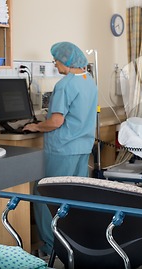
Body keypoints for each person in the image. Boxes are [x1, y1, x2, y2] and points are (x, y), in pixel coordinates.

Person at [23, 41, 98, 256]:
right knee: (72, 196)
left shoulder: (66, 85)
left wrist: (36, 126)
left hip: (63, 149)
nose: (55, 64)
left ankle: (51, 247)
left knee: (46, 196)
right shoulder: (89, 81)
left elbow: (56, 122)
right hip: (82, 148)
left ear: (66, 60)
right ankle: (71, 244)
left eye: (56, 60)